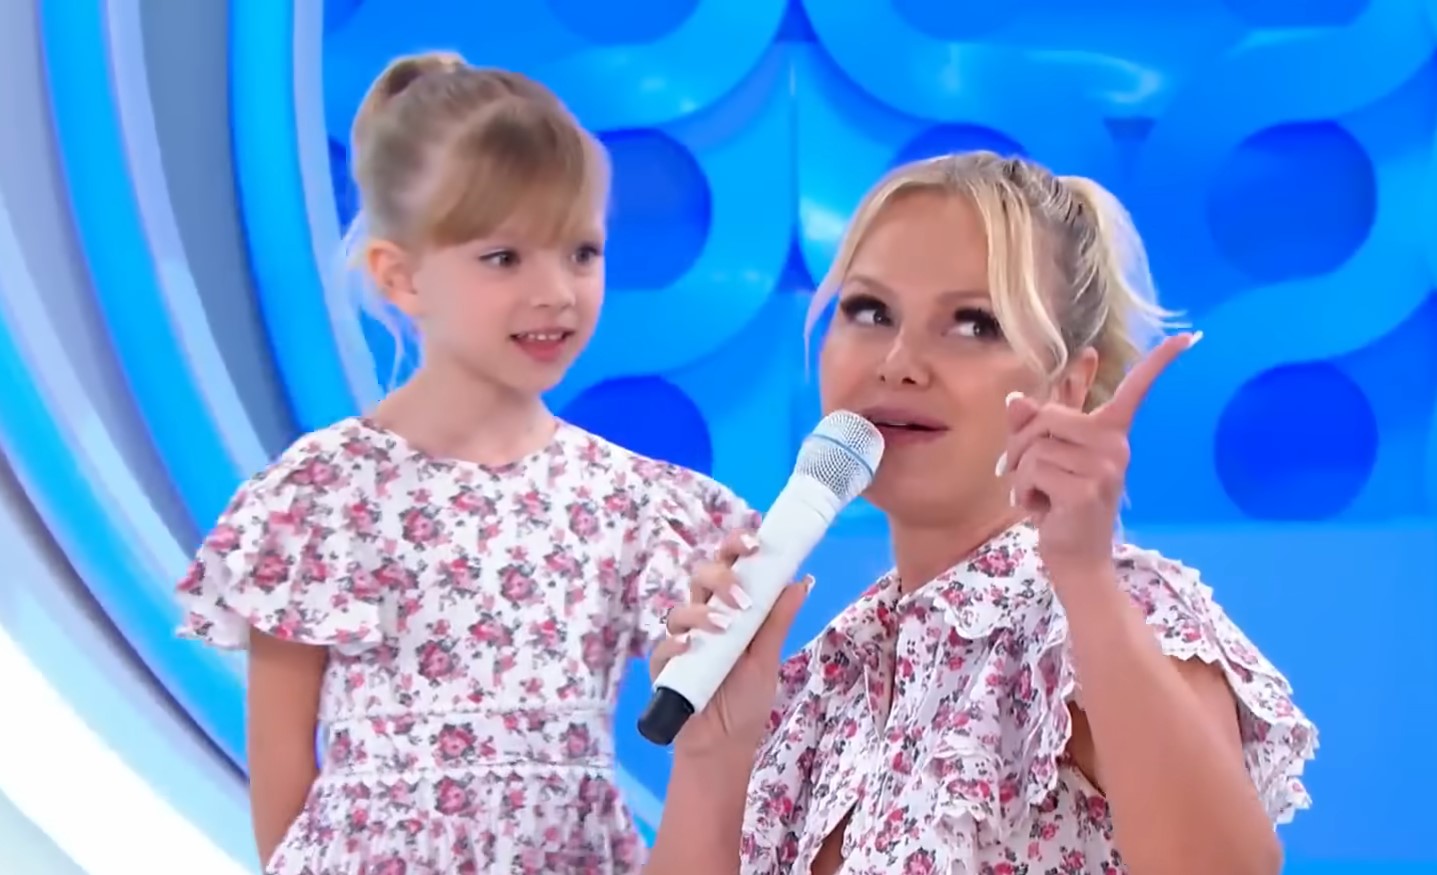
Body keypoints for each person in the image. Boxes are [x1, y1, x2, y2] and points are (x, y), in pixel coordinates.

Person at [645, 151, 1317, 875]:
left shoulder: (1113, 611)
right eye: (871, 311)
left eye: (973, 325)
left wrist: (1085, 580)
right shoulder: (825, 680)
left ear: (1066, 387)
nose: (899, 362)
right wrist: (711, 758)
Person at [175, 52, 755, 874]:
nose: (555, 291)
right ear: (401, 276)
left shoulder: (628, 501)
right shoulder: (322, 495)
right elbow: (279, 758)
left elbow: (718, 714)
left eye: (580, 252)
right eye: (504, 257)